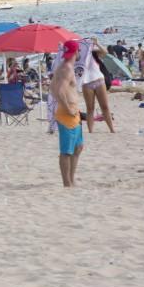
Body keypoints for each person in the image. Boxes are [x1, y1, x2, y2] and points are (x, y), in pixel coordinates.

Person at [51, 40, 83, 187]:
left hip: (72, 113)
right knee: (67, 151)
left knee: (78, 147)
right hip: (67, 114)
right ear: (76, 52)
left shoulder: (63, 67)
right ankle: (67, 182)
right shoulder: (66, 69)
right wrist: (68, 108)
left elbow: (53, 89)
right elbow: (59, 91)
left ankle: (71, 179)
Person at [80, 38, 115, 134]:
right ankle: (91, 131)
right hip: (86, 83)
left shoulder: (93, 52)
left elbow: (105, 53)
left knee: (105, 107)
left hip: (99, 80)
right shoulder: (78, 56)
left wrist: (97, 43)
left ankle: (112, 129)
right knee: (90, 108)